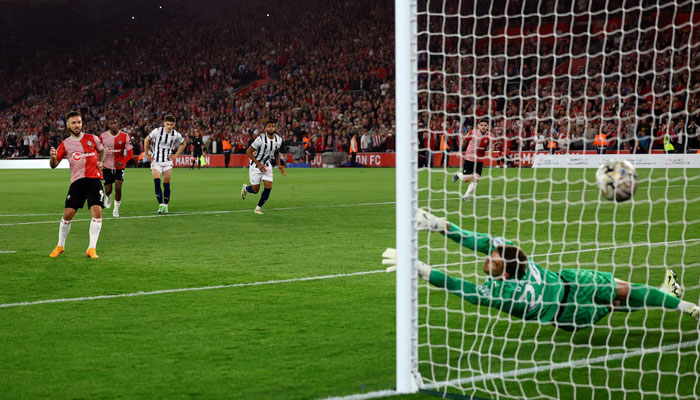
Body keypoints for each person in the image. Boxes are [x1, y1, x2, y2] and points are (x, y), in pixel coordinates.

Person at [383, 209, 700, 331]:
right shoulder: (515, 262)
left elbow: (461, 285)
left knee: (618, 296)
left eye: (491, 257)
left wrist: (438, 231)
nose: (486, 257)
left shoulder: (499, 290)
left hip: (568, 317)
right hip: (572, 288)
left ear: (505, 271)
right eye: (491, 257)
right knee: (621, 292)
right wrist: (436, 236)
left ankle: (676, 301)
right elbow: (473, 255)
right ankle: (671, 298)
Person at [49, 111, 107, 259]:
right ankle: (60, 245)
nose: (77, 125)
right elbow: (54, 165)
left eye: (79, 122)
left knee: (97, 211)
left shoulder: (92, 138)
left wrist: (101, 161)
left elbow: (103, 151)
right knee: (68, 214)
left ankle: (91, 248)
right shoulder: (65, 144)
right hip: (77, 182)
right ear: (68, 125)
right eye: (74, 123)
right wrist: (52, 157)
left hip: (94, 180)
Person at [240, 119, 286, 214]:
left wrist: (279, 165)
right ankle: (245, 188)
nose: (271, 128)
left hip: (267, 166)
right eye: (268, 126)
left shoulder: (279, 140)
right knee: (255, 190)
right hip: (255, 166)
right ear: (265, 128)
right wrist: (258, 163)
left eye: (272, 126)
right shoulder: (260, 139)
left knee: (268, 186)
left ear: (275, 128)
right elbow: (248, 152)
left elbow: (276, 153)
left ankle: (258, 208)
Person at [143, 115, 187, 213]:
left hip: (167, 162)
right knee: (157, 182)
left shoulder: (176, 134)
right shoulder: (157, 131)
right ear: (164, 124)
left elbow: (184, 143)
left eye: (171, 124)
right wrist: (147, 154)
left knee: (166, 184)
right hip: (156, 161)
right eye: (167, 124)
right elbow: (146, 140)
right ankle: (161, 205)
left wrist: (176, 155)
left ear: (174, 124)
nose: (169, 126)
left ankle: (166, 205)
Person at [100, 117, 133, 217]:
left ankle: (116, 209)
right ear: (108, 125)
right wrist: (99, 162)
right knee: (108, 190)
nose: (113, 125)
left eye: (115, 123)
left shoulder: (125, 136)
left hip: (119, 167)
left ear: (118, 124)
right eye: (111, 123)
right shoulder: (102, 136)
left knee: (118, 188)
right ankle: (108, 196)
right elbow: (98, 150)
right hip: (107, 166)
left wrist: (122, 161)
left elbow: (130, 153)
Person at [452, 118, 490, 201]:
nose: (483, 127)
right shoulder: (472, 132)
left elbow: (493, 143)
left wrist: (490, 153)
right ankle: (459, 174)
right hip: (469, 158)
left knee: (476, 179)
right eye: (482, 125)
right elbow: (464, 140)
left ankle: (466, 196)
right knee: (466, 179)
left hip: (479, 159)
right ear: (478, 126)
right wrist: (459, 151)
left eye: (485, 125)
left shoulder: (489, 136)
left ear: (488, 127)